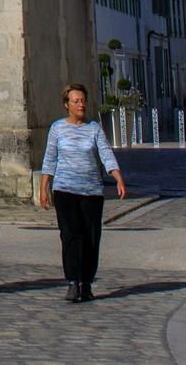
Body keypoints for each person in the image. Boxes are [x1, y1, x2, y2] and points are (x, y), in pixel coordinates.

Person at [36, 82, 126, 303]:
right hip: (65, 190)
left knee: (90, 237)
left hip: (91, 191)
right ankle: (72, 282)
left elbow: (105, 153)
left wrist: (118, 177)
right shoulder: (57, 128)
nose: (81, 105)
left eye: (83, 100)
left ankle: (86, 282)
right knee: (70, 235)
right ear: (66, 104)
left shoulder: (93, 128)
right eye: (76, 101)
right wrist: (44, 187)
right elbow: (50, 159)